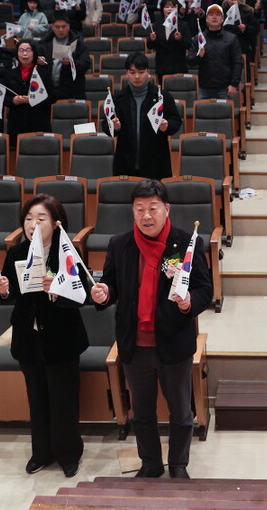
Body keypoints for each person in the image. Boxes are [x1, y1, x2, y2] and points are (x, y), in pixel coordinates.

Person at [91, 179, 213, 479]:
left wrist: (189, 302)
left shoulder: (186, 243)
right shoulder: (120, 244)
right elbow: (111, 284)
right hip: (135, 344)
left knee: (181, 412)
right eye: (139, 209)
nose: (146, 216)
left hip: (173, 341)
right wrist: (104, 293)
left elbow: (204, 289)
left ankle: (179, 464)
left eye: (153, 208)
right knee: (142, 412)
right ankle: (150, 463)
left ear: (166, 209)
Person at [0, 194, 91, 478]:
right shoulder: (17, 252)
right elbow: (12, 292)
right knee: (37, 399)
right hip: (28, 336)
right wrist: (3, 290)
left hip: (62, 337)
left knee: (63, 400)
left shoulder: (68, 252)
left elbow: (83, 296)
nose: (32, 224)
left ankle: (68, 453)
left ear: (56, 223)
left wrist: (58, 291)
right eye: (28, 219)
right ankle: (41, 453)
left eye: (40, 218)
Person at [101, 52, 182, 180]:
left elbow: (176, 121)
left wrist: (167, 126)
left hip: (156, 162)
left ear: (148, 72)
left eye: (141, 72)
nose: (137, 76)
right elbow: (105, 124)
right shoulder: (117, 98)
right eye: (132, 72)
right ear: (126, 73)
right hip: (125, 163)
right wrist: (114, 127)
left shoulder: (162, 96)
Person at [3, 38, 54, 145]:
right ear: (17, 53)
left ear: (34, 53)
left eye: (28, 50)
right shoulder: (9, 73)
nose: (25, 54)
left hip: (38, 120)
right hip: (17, 122)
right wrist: (13, 101)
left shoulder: (43, 73)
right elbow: (3, 97)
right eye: (21, 50)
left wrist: (34, 100)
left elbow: (53, 97)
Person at [190, 4, 242, 100]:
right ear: (206, 19)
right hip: (204, 87)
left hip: (225, 87)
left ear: (222, 19)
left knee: (225, 110)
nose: (214, 17)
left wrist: (234, 84)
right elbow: (190, 61)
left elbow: (237, 63)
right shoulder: (199, 38)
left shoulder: (232, 38)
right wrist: (198, 56)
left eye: (218, 15)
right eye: (211, 14)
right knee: (203, 110)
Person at [39, 15, 90, 101]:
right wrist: (39, 62)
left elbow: (85, 64)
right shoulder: (44, 43)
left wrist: (71, 63)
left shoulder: (78, 43)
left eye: (63, 27)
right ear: (52, 27)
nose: (60, 30)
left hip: (71, 90)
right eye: (57, 27)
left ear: (69, 26)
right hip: (48, 89)